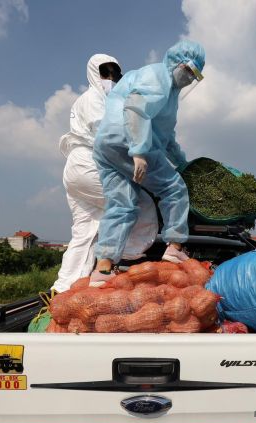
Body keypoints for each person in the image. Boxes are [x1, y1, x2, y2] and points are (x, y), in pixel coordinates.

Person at [90, 40, 205, 286]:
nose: (189, 79)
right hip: (127, 141)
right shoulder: (159, 77)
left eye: (195, 76)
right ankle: (174, 246)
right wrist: (139, 151)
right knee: (174, 189)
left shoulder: (169, 92)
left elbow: (166, 137)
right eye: (187, 71)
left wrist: (182, 163)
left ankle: (102, 269)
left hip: (106, 146)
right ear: (177, 63)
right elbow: (135, 108)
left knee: (121, 205)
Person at [52, 55, 124, 292]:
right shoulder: (94, 98)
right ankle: (113, 267)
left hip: (76, 171)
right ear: (94, 73)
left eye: (115, 75)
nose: (111, 79)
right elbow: (107, 134)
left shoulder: (102, 100)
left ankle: (65, 289)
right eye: (106, 73)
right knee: (130, 202)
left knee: (85, 231)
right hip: (88, 165)